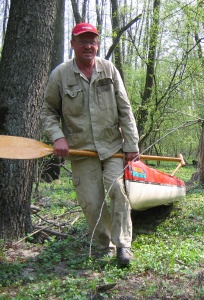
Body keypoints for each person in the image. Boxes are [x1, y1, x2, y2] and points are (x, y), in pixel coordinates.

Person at [41, 23, 140, 266]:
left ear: (97, 44)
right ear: (73, 43)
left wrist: (132, 144)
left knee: (118, 190)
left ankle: (123, 245)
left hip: (112, 147)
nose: (88, 46)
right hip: (81, 149)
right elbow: (48, 111)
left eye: (93, 41)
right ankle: (103, 245)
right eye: (83, 41)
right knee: (91, 202)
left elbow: (125, 109)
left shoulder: (109, 70)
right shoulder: (61, 75)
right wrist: (57, 136)